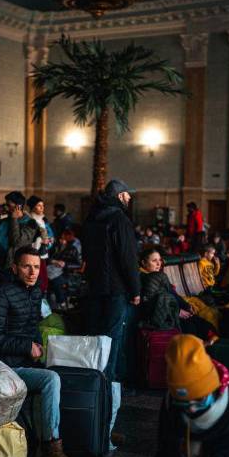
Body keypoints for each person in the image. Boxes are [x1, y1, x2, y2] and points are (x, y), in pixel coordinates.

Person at [0, 246, 81, 457]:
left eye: (36, 267)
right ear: (15, 268)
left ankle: (87, 434)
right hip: (5, 366)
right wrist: (27, 347)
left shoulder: (35, 291)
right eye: (26, 266)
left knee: (67, 371)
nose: (32, 272)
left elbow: (33, 327)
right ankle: (51, 448)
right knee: (50, 379)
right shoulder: (2, 293)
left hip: (26, 361)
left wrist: (39, 346)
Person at [82, 179, 141, 442]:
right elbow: (128, 257)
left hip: (95, 290)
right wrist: (136, 289)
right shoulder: (119, 219)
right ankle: (109, 407)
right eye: (127, 194)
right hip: (116, 291)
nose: (129, 198)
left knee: (96, 344)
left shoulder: (92, 218)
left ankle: (93, 401)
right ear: (119, 196)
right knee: (112, 347)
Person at [0, 191, 42, 269]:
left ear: (18, 206)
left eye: (9, 205)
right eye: (5, 204)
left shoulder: (30, 223)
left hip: (13, 264)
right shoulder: (6, 219)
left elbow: (17, 241)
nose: (6, 208)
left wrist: (14, 219)